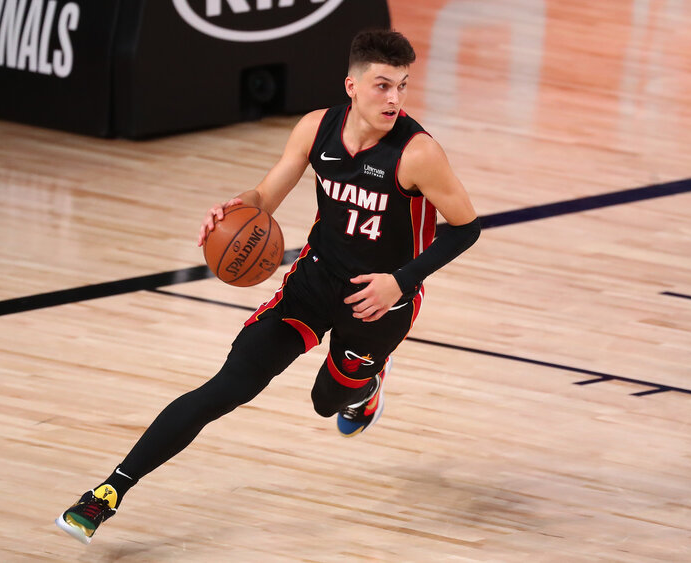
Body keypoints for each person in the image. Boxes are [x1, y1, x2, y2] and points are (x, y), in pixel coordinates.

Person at [56, 29, 480, 545]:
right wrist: (232, 210)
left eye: (403, 87)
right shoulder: (317, 128)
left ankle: (365, 388)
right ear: (351, 85)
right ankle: (108, 492)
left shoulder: (417, 153)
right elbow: (265, 194)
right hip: (314, 281)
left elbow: (465, 226)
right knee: (226, 388)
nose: (394, 99)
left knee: (328, 402)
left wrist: (400, 282)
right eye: (382, 85)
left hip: (378, 303)